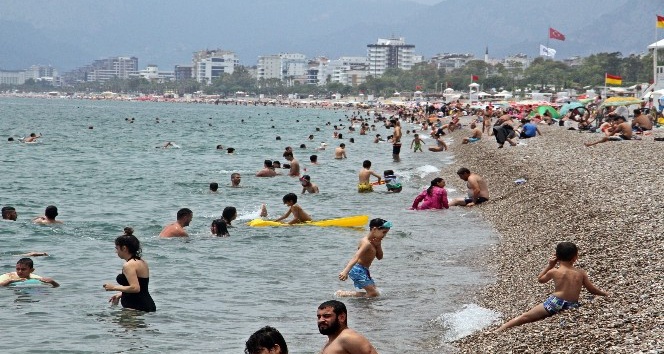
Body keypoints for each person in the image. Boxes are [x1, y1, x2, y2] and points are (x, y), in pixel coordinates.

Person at [496, 242, 607, 332]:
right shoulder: (581, 273)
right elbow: (591, 289)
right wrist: (605, 294)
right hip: (572, 305)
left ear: (557, 257)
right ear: (575, 257)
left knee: (525, 317)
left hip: (555, 302)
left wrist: (550, 265)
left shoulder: (554, 271)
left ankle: (500, 330)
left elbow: (540, 279)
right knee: (539, 317)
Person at [103, 227, 156, 312]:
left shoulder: (129, 265)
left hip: (136, 307)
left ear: (124, 248)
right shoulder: (142, 261)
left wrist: (113, 287)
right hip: (146, 305)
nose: (116, 252)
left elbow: (135, 288)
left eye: (117, 248)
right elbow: (142, 287)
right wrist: (121, 294)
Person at [336, 218, 390, 297]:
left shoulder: (376, 242)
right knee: (373, 293)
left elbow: (380, 257)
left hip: (364, 270)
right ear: (374, 229)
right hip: (357, 270)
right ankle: (345, 294)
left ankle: (347, 295)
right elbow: (356, 256)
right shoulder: (366, 243)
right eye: (384, 232)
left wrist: (378, 245)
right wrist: (345, 271)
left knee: (376, 292)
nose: (385, 235)